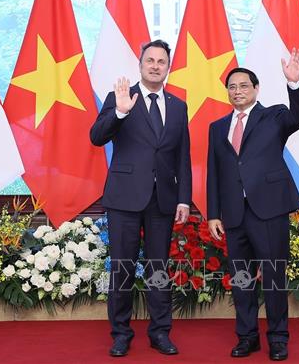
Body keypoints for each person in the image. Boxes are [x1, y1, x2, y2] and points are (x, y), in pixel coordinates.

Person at [206, 49, 299, 361]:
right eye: (232, 87)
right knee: (241, 280)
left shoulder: (274, 116)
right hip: (234, 214)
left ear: (256, 89)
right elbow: (214, 172)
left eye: (243, 86)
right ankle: (247, 337)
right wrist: (213, 214)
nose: (237, 91)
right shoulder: (217, 127)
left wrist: (294, 83)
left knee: (274, 278)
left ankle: (277, 339)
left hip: (269, 210)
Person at [90, 39, 191, 358]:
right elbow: (96, 137)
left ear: (168, 67)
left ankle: (160, 332)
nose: (155, 66)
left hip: (163, 200)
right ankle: (121, 333)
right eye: (150, 60)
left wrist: (184, 199)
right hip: (125, 198)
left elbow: (183, 156)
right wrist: (120, 112)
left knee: (158, 269)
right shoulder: (120, 97)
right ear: (140, 64)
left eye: (162, 61)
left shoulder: (178, 106)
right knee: (122, 268)